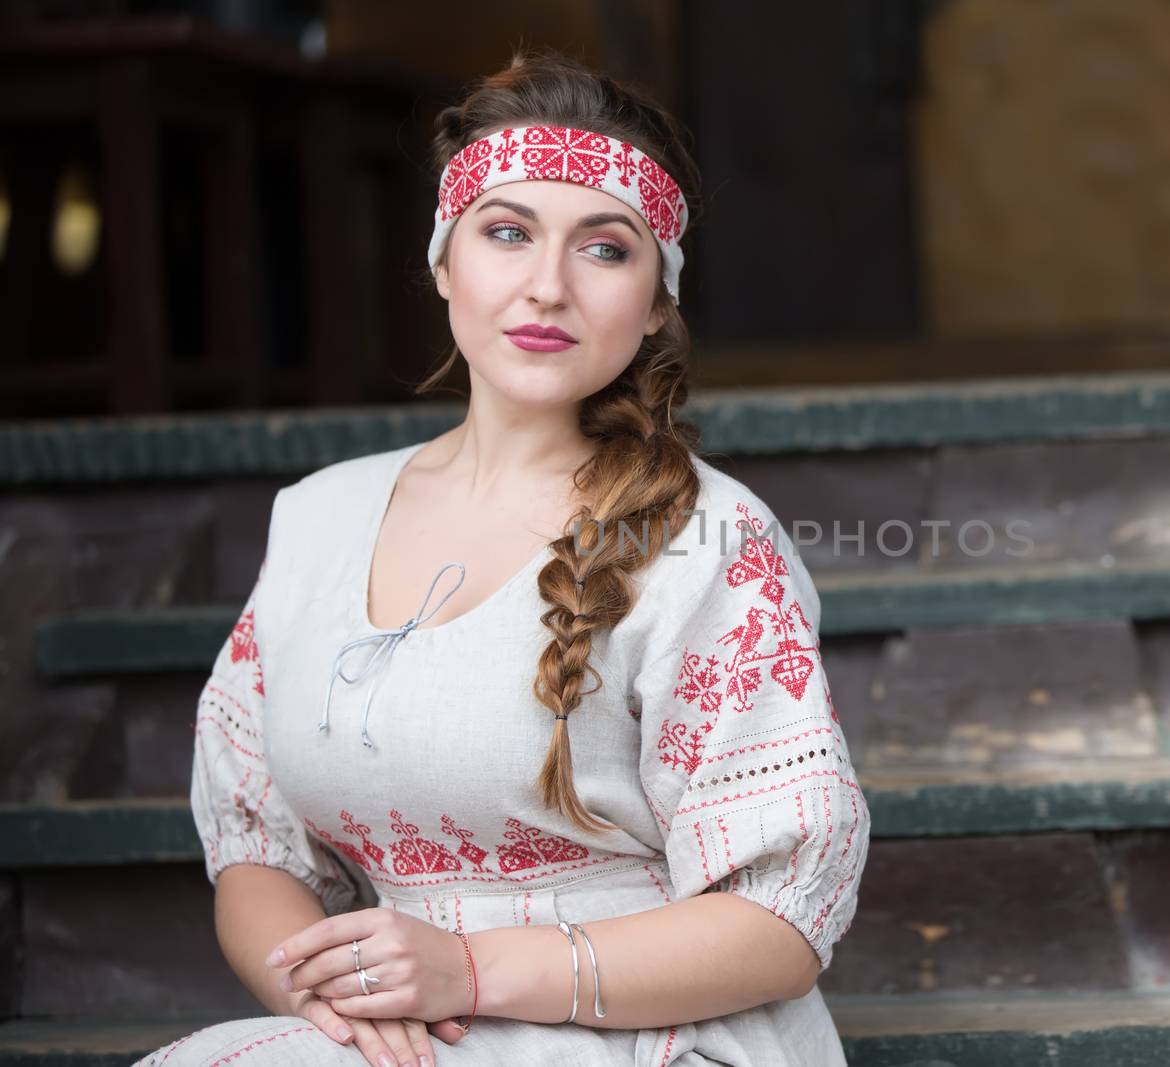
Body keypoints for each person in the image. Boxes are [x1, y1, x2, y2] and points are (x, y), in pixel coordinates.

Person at [139, 48, 868, 1067]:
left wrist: (470, 970)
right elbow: (258, 849)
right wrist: (345, 1007)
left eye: (605, 249)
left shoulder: (709, 539)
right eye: (507, 232)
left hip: (656, 1035)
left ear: (658, 299)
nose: (546, 286)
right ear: (444, 262)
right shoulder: (316, 517)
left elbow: (780, 922)